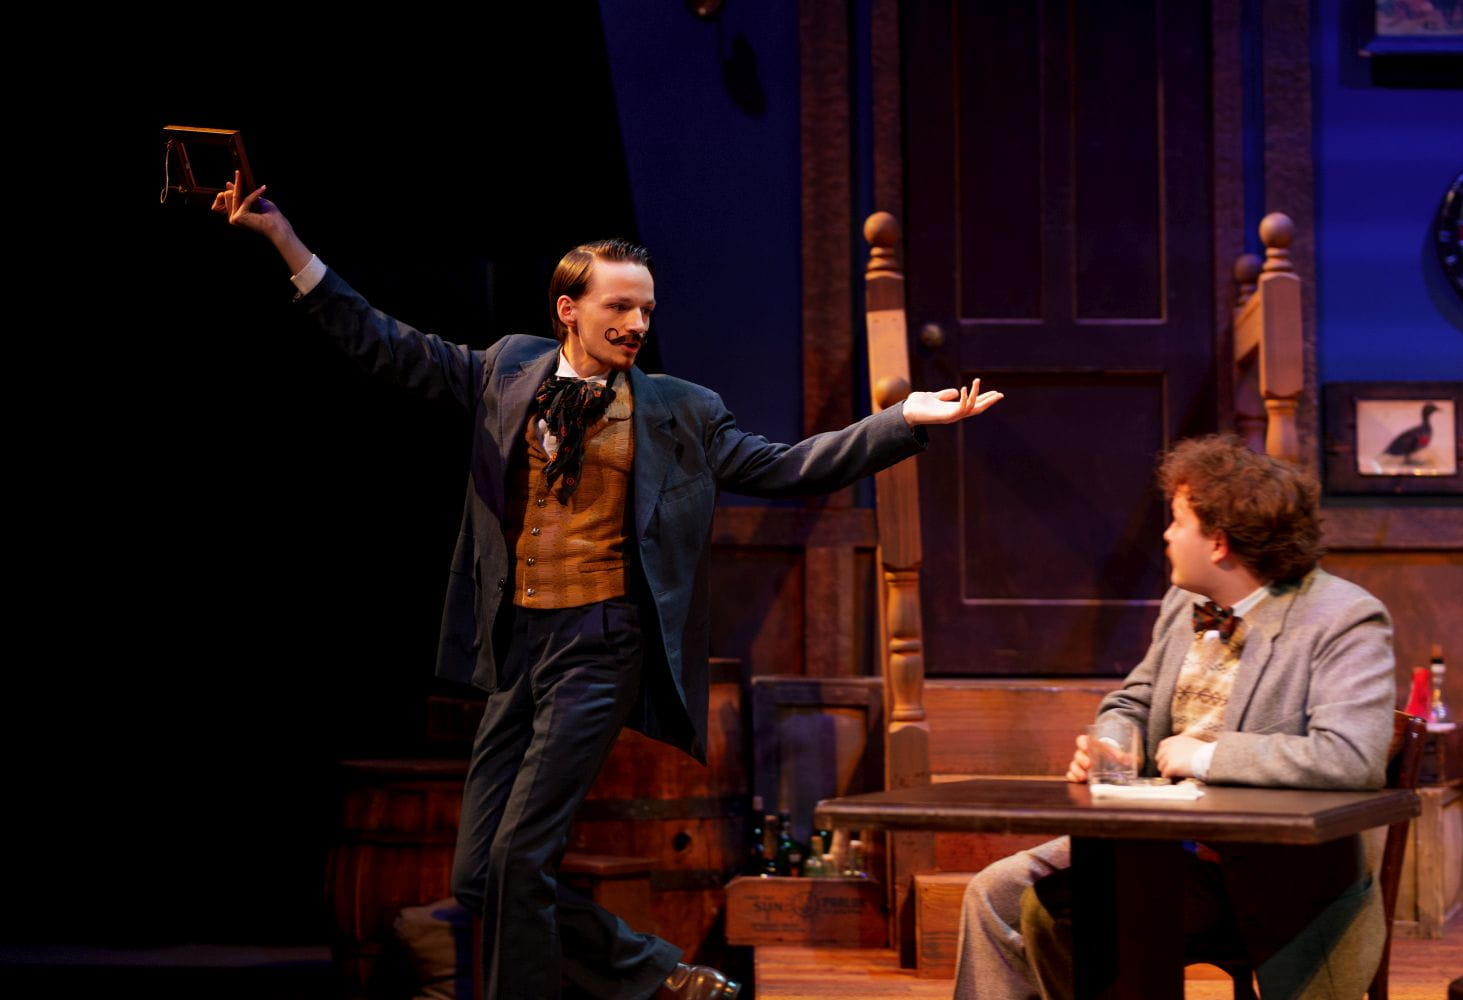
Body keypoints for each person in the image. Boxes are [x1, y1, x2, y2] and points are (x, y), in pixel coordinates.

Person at [212, 172, 1003, 1000]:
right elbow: (387, 344)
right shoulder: (506, 370)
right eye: (619, 307)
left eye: (646, 310)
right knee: (479, 873)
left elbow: (788, 467)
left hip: (601, 644)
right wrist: (286, 244)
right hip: (520, 644)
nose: (636, 324)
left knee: (521, 855)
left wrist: (901, 421)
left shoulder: (680, 409)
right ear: (569, 309)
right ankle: (656, 974)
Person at [953, 435, 1396, 1000]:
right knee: (997, 895)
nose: (1165, 535)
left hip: (1277, 876)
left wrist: (1208, 756)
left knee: (1081, 917)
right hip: (1158, 846)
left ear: (1219, 542)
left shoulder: (1343, 618)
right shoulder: (1184, 603)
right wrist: (1115, 746)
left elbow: (1351, 757)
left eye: (1177, 521)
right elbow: (1131, 702)